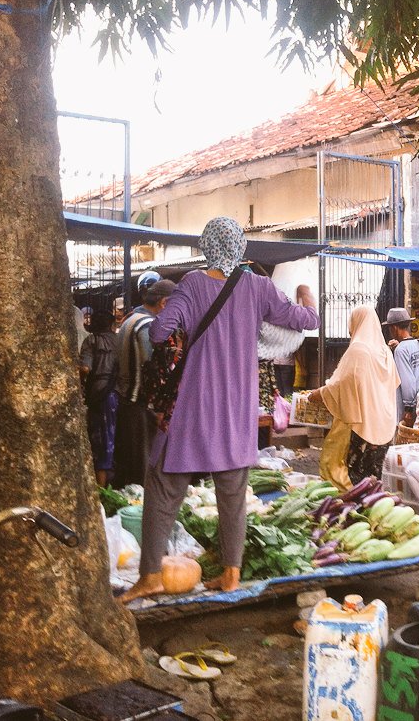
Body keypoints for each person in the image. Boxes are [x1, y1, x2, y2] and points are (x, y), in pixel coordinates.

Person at [119, 217, 319, 602]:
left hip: (192, 408)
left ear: (206, 245)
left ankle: (150, 576)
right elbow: (305, 319)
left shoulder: (192, 284)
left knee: (162, 488)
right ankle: (231, 574)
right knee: (232, 495)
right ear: (240, 247)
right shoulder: (259, 287)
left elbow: (160, 332)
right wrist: (306, 296)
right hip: (238, 411)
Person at [310, 306, 399, 491]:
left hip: (360, 428)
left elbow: (342, 385)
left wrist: (319, 394)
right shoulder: (385, 351)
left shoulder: (358, 350)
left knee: (347, 478)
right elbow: (392, 383)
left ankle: (348, 513)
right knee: (372, 479)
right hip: (384, 425)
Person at [112, 278, 176, 488]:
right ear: (164, 303)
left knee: (131, 463)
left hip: (126, 399)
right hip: (139, 403)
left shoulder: (130, 319)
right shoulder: (147, 325)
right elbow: (151, 368)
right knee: (142, 467)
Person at [79, 309, 120, 487]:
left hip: (100, 395)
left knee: (101, 441)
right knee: (113, 438)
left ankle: (101, 489)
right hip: (119, 394)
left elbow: (85, 369)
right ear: (111, 325)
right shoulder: (118, 340)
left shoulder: (91, 340)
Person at [383, 307, 419, 426]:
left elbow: (407, 381)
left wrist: (408, 408)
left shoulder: (401, 350)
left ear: (394, 328)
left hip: (412, 405)